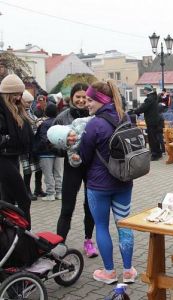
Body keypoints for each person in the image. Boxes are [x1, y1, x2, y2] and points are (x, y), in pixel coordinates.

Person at [80, 80, 136, 284]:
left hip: (98, 186)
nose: (87, 104)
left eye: (89, 100)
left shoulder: (93, 124)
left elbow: (84, 156)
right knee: (123, 225)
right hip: (124, 182)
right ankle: (129, 271)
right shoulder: (125, 117)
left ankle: (109, 272)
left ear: (100, 100)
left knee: (102, 227)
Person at [53, 82, 98, 258]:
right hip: (71, 168)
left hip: (91, 167)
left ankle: (88, 241)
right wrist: (65, 146)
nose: (81, 101)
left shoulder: (95, 116)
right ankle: (59, 243)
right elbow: (50, 145)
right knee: (66, 208)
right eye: (77, 97)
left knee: (90, 206)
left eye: (84, 97)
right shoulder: (62, 117)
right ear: (71, 98)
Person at [0, 74, 33, 226]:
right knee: (23, 199)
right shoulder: (2, 108)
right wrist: (8, 138)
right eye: (15, 94)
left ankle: (12, 237)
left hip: (13, 157)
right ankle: (26, 238)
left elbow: (26, 134)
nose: (19, 97)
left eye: (20, 94)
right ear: (7, 94)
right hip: (3, 158)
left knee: (8, 200)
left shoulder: (18, 109)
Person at [33, 103, 62, 201]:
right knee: (58, 173)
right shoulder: (59, 121)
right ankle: (59, 192)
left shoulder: (44, 124)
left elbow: (42, 138)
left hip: (45, 153)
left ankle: (50, 193)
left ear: (46, 112)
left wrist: (37, 149)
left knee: (48, 174)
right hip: (59, 152)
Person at [21, 90, 45, 201]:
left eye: (31, 102)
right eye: (27, 102)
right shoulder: (20, 111)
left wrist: (39, 121)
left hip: (34, 143)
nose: (29, 104)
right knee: (27, 169)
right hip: (25, 145)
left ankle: (38, 188)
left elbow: (34, 119)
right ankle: (26, 191)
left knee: (38, 167)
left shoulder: (29, 111)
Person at [134, 84, 163, 161]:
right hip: (155, 120)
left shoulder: (149, 99)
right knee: (155, 138)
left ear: (147, 90)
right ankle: (159, 153)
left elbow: (143, 108)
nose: (144, 91)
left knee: (152, 138)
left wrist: (136, 111)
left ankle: (154, 154)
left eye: (144, 90)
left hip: (151, 121)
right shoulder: (154, 97)